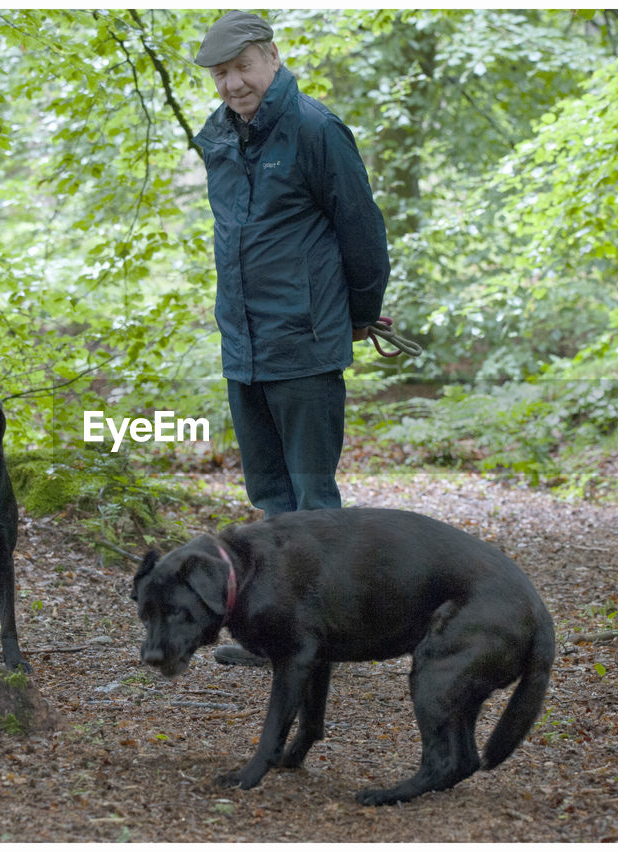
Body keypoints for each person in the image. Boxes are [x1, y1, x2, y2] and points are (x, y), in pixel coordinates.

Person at [192, 11, 391, 665]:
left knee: (313, 501)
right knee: (269, 498)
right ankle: (283, 636)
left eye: (241, 68)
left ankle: (327, 636)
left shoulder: (316, 129)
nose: (231, 84)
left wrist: (360, 314)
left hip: (304, 343)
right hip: (242, 348)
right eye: (220, 74)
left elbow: (362, 232)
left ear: (270, 57)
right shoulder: (216, 140)